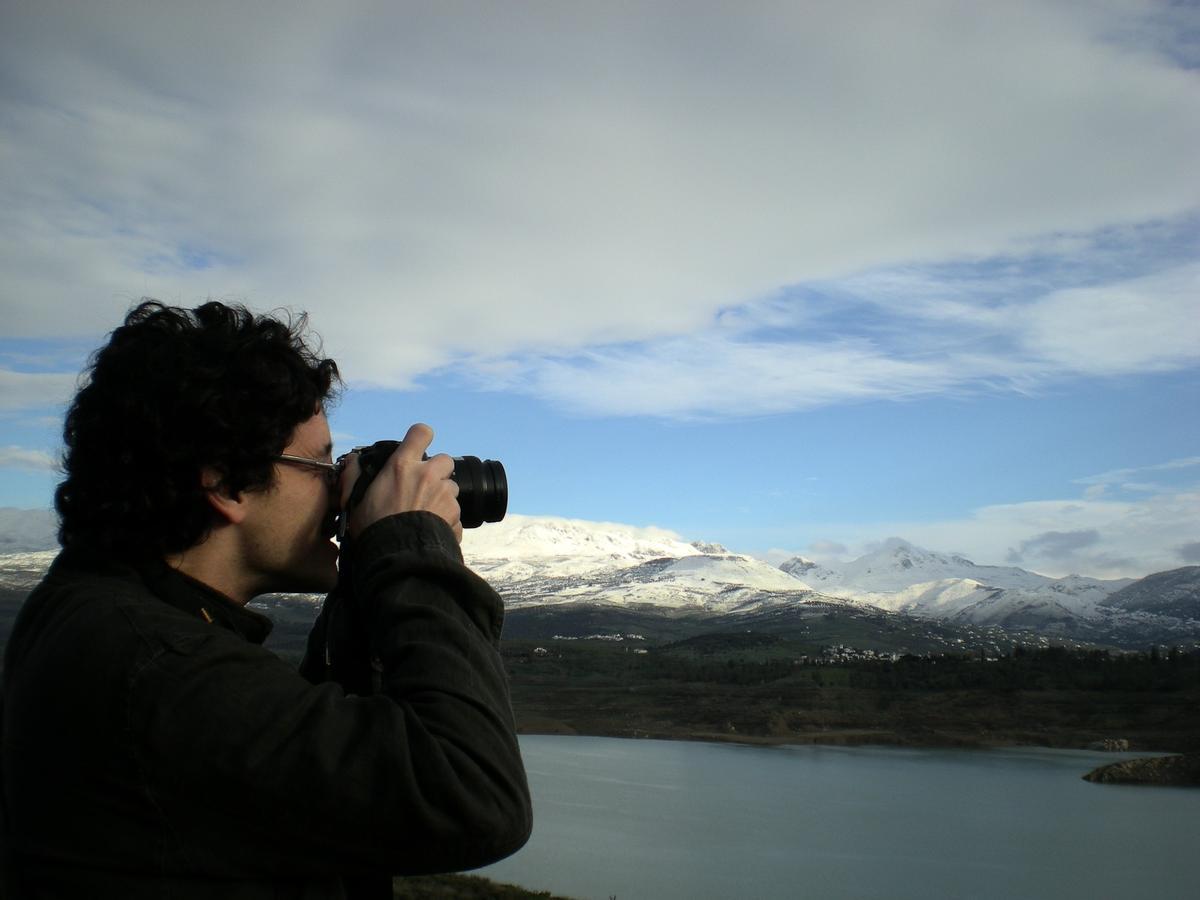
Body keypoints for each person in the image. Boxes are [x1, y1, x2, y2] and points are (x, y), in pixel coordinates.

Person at [0, 300, 531, 899]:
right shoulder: (155, 666)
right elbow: (471, 798)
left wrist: (367, 570)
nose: (339, 488)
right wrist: (411, 544)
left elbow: (341, 760)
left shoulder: (112, 618)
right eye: (320, 463)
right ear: (226, 484)